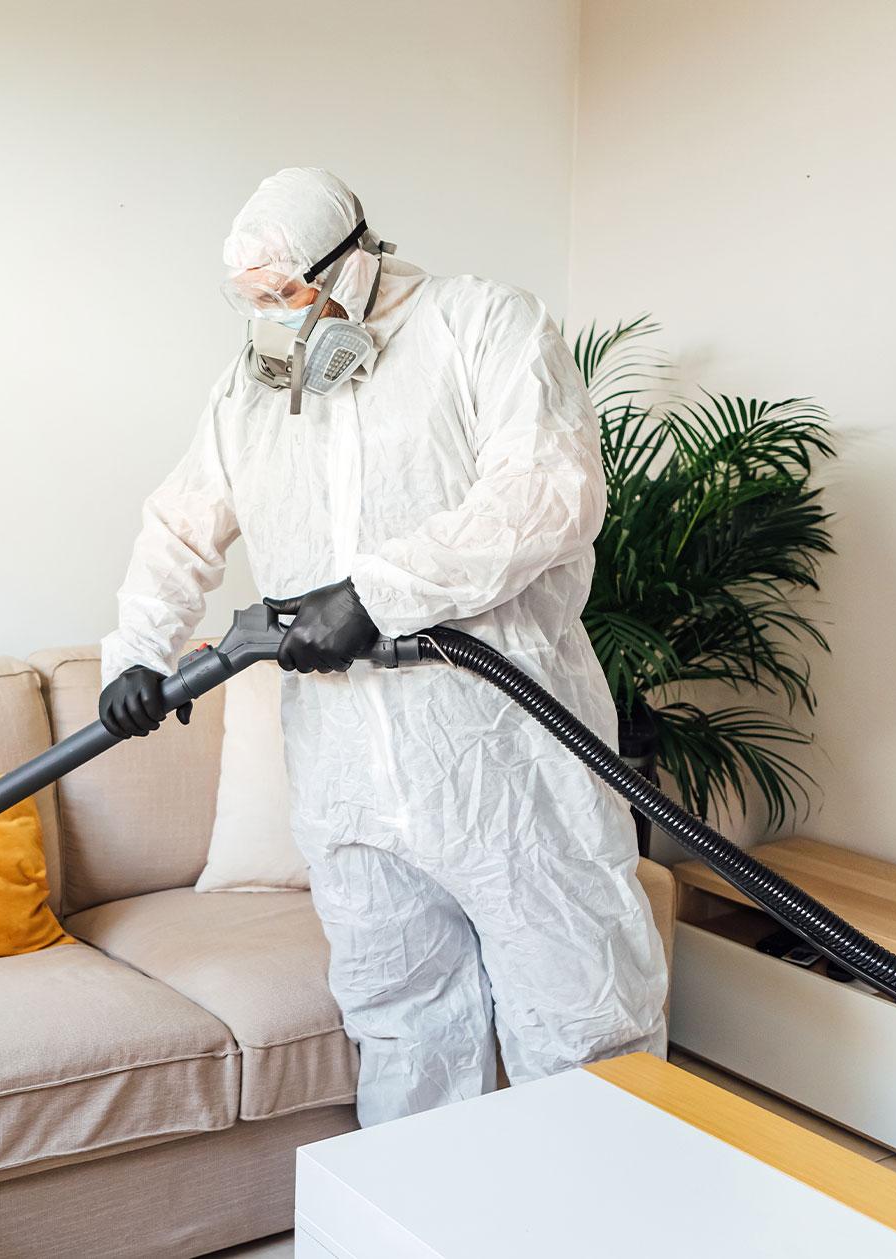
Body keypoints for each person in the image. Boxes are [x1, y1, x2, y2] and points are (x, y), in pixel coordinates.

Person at [97, 168, 668, 1127]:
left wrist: (379, 592)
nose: (274, 319)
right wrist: (136, 655)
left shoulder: (481, 325)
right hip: (346, 768)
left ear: (355, 259)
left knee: (581, 1019)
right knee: (402, 1020)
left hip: (503, 748)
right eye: (254, 301)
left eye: (285, 293)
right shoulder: (254, 390)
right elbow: (181, 524)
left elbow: (550, 492)